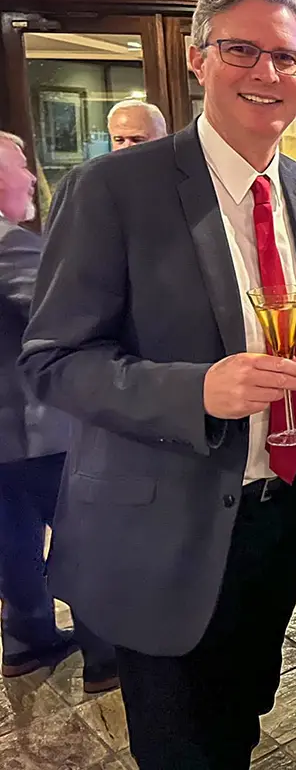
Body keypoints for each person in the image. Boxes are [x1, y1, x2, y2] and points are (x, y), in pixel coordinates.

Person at [19, 0, 296, 770]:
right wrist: (194, 390)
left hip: (275, 516)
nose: (267, 75)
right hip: (160, 534)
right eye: (242, 51)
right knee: (181, 749)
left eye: (288, 59)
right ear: (198, 60)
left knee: (241, 721)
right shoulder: (114, 187)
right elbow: (54, 363)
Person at [0, 131, 118, 693]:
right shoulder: (12, 246)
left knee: (12, 540)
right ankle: (106, 657)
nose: (31, 178)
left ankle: (26, 644)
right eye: (22, 166)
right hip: (38, 431)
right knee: (87, 539)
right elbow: (59, 322)